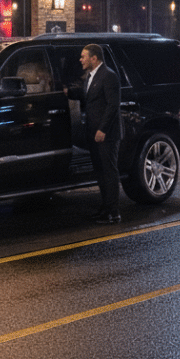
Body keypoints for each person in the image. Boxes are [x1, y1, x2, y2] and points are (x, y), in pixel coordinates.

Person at [66, 44, 122, 224]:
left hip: (106, 134)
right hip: (93, 132)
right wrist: (66, 91)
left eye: (83, 57)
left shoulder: (109, 76)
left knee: (109, 172)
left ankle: (114, 213)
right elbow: (85, 95)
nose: (80, 60)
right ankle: (105, 209)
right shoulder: (90, 76)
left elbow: (113, 106)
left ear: (94, 58)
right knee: (99, 172)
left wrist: (102, 130)